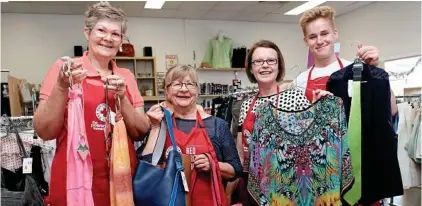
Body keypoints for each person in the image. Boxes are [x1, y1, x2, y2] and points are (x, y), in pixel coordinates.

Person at [33, 2, 150, 205]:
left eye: (115, 34)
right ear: (87, 33)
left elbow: (140, 131)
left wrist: (122, 97)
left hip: (121, 180)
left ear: (121, 40)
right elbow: (44, 131)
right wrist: (61, 87)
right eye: (101, 30)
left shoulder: (126, 76)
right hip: (74, 180)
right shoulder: (65, 69)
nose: (108, 38)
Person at [140, 64, 242, 206]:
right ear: (167, 91)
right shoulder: (161, 123)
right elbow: (146, 167)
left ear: (197, 91)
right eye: (176, 84)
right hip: (169, 200)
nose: (184, 89)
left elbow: (236, 170)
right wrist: (155, 128)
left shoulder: (218, 126)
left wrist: (213, 164)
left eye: (189, 84)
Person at [293, 6, 397, 116]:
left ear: (335, 34)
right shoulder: (299, 82)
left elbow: (391, 110)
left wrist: (374, 70)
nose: (319, 41)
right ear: (305, 41)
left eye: (324, 34)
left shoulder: (356, 71)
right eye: (313, 36)